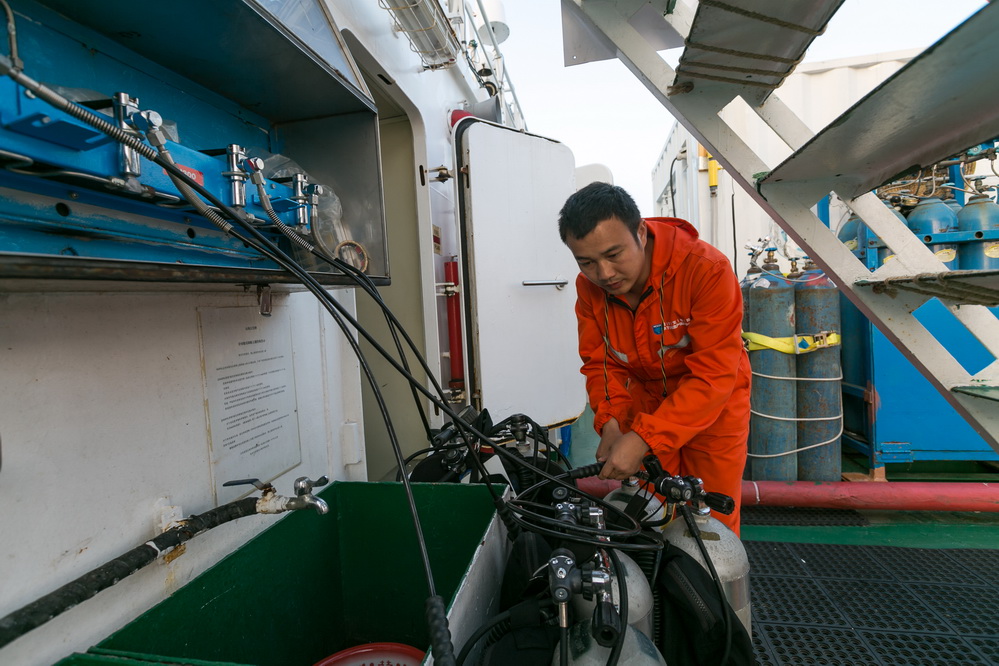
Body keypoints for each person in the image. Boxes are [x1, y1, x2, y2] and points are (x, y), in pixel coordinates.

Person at [558, 182, 751, 535]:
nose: (604, 274)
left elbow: (713, 375)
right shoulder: (589, 290)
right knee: (645, 513)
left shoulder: (706, 270)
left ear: (641, 233)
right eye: (586, 262)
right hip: (644, 402)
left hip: (714, 407)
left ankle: (708, 587)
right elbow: (601, 363)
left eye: (614, 254)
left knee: (710, 522)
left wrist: (644, 439)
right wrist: (613, 423)